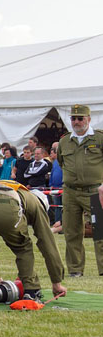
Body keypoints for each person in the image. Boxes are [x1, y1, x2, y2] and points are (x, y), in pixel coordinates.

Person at [0, 180, 67, 305]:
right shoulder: (36, 204)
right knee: (23, 248)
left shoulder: (13, 187)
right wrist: (56, 282)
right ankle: (31, 292)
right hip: (8, 207)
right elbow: (47, 242)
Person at [56, 104, 103, 277]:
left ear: (89, 119)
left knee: (101, 231)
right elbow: (62, 162)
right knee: (72, 232)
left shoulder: (99, 138)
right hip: (70, 192)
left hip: (95, 190)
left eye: (80, 118)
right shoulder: (64, 141)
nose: (76, 122)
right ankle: (75, 270)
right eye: (73, 118)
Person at [49, 143, 63, 224]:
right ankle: (57, 222)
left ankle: (62, 223)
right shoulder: (55, 162)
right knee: (57, 206)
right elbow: (53, 173)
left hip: (62, 187)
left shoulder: (64, 161)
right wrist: (51, 184)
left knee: (63, 207)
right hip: (55, 188)